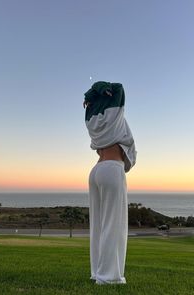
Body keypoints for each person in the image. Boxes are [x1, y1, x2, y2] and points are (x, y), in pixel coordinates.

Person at [83, 81, 137, 285]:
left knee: (98, 225)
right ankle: (109, 277)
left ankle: (98, 272)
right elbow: (120, 87)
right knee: (113, 225)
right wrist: (100, 87)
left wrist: (91, 94)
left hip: (96, 170)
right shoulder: (115, 113)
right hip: (112, 169)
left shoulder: (90, 117)